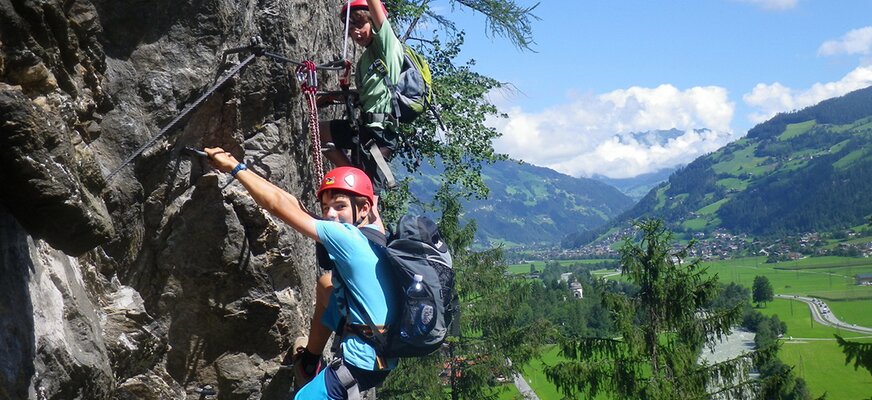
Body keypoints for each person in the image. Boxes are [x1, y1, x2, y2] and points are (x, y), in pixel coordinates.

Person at [204, 148, 397, 399]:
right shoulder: (375, 230)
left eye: (339, 206)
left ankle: (314, 379)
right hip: (382, 355)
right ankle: (310, 363)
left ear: (362, 208)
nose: (329, 214)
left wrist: (235, 168)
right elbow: (299, 207)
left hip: (356, 365)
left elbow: (277, 205)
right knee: (327, 284)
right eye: (326, 206)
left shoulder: (346, 239)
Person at [319, 0, 403, 214]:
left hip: (379, 134)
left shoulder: (386, 45)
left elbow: (378, 14)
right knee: (319, 132)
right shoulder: (365, 60)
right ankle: (353, 173)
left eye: (360, 24)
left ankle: (375, 239)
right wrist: (334, 96)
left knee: (367, 198)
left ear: (373, 23)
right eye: (351, 28)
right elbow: (368, 94)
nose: (356, 33)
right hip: (366, 130)